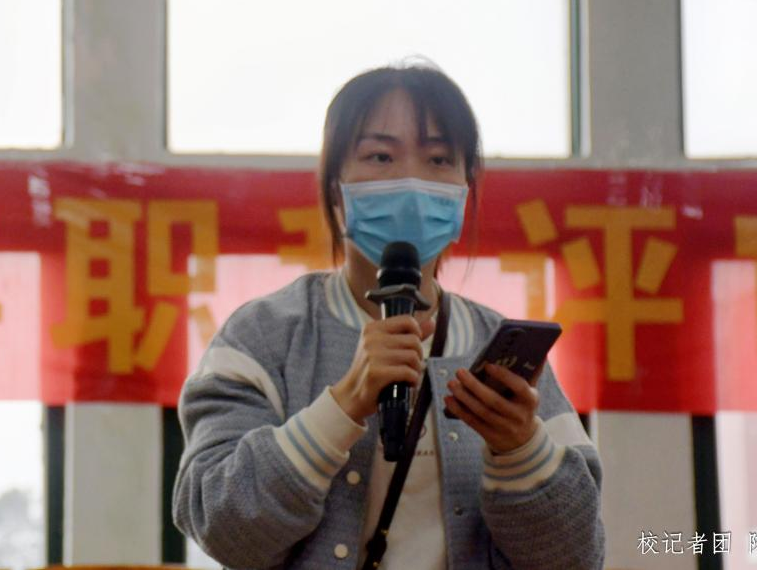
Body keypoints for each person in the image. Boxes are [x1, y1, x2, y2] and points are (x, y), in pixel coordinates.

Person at [173, 63, 604, 570]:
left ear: (464, 191)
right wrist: (343, 405)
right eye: (380, 155)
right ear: (336, 189)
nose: (411, 180)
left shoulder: (501, 349)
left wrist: (521, 449)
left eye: (439, 159)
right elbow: (220, 526)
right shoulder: (264, 336)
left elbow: (578, 555)